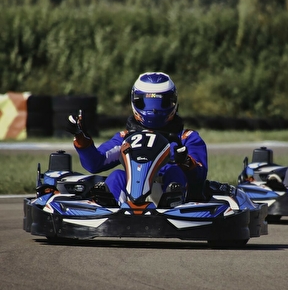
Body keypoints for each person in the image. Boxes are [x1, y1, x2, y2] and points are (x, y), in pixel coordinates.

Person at [66, 72, 208, 204]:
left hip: (172, 192)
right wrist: (81, 138)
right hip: (134, 189)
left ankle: (173, 208)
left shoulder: (186, 137)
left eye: (161, 102)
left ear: (172, 102)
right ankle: (108, 211)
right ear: (136, 101)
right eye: (147, 102)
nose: (154, 110)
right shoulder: (125, 138)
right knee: (117, 175)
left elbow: (199, 175)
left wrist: (185, 161)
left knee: (174, 172)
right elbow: (95, 163)